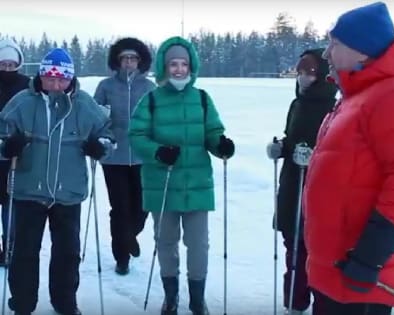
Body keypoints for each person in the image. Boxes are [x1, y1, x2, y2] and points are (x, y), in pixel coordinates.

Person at [303, 2, 394, 315]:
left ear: (363, 52)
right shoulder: (356, 97)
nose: (326, 53)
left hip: (362, 273)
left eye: (335, 44)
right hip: (337, 267)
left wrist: (371, 255)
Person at [0, 48, 114, 315]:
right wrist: (8, 147)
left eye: (61, 79)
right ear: (41, 76)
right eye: (49, 78)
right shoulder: (22, 102)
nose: (55, 84)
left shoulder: (84, 104)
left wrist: (100, 146)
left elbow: (108, 134)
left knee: (67, 253)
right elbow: (3, 134)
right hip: (29, 190)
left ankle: (64, 301)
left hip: (68, 192)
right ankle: (23, 303)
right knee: (24, 252)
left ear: (70, 78)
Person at [129, 36, 235, 315]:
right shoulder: (150, 100)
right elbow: (136, 135)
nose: (178, 69)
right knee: (166, 242)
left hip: (197, 186)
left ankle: (197, 299)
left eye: (183, 64)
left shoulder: (202, 98)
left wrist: (220, 144)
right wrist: (158, 152)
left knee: (198, 245)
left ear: (191, 67)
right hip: (161, 185)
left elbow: (213, 132)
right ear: (165, 67)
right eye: (173, 64)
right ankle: (171, 296)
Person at [267, 48, 338, 315]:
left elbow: (336, 149)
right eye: (299, 73)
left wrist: (313, 155)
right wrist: (282, 147)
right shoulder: (297, 104)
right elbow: (292, 136)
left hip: (319, 189)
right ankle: (294, 303)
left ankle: (321, 303)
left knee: (317, 251)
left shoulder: (333, 106)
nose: (302, 78)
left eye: (308, 73)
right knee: (293, 248)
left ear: (320, 74)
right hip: (292, 185)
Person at [93, 37, 155, 275]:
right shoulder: (105, 86)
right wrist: (104, 137)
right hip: (114, 157)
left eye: (133, 58)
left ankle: (129, 236)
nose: (129, 62)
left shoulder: (149, 88)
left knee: (141, 208)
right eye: (124, 58)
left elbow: (157, 120)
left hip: (142, 157)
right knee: (119, 207)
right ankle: (122, 256)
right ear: (117, 61)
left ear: (141, 61)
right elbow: (96, 116)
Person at [0, 39, 30, 266]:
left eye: (11, 64)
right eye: (3, 64)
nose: (7, 69)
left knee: (11, 202)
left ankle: (9, 248)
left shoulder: (26, 84)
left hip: (16, 154)